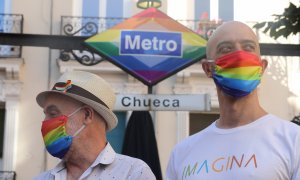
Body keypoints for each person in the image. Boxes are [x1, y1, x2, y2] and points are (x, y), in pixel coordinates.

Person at [166, 21, 300, 180]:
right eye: (226, 49)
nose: (239, 56)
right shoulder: (181, 154)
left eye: (248, 47)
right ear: (208, 69)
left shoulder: (293, 140)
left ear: (262, 67)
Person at [34, 71, 156, 180]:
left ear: (87, 115)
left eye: (53, 113)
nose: (45, 122)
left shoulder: (133, 173)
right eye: (46, 114)